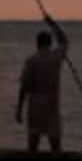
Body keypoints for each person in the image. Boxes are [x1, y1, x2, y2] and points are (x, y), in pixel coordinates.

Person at [16, 14, 68, 152]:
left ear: (37, 43)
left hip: (35, 106)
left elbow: (24, 87)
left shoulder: (31, 61)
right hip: (52, 105)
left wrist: (19, 109)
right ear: (50, 43)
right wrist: (52, 24)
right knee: (55, 145)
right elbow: (64, 41)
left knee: (33, 142)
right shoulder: (56, 57)